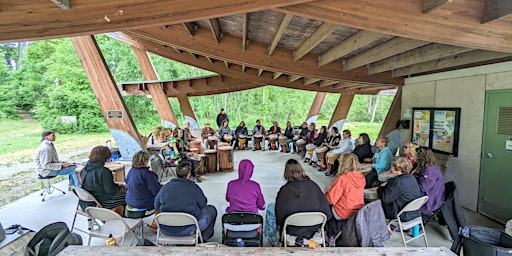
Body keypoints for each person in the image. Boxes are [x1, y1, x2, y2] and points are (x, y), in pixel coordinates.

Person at [263, 159, 332, 246]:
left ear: (286, 173)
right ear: (301, 170)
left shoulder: (283, 191)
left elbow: (280, 218)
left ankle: (274, 242)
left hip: (291, 229)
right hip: (313, 228)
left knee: (271, 207)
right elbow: (326, 212)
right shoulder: (314, 186)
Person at [154, 161, 217, 240]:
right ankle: (203, 238)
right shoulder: (194, 187)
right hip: (189, 229)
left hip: (166, 229)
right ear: (189, 175)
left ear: (176, 173)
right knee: (212, 209)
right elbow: (203, 204)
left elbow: (156, 205)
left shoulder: (165, 187)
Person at [324, 153, 365, 245]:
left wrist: (326, 193)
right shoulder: (361, 177)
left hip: (343, 212)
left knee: (324, 208)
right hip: (358, 211)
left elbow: (331, 200)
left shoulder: (342, 179)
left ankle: (330, 235)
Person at [377, 157, 421, 233]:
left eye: (392, 166)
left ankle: (381, 225)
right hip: (414, 212)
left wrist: (379, 189)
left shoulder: (398, 181)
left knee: (377, 202)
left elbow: (385, 198)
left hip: (403, 215)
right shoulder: (411, 177)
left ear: (397, 169)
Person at [80, 146, 126, 216]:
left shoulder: (84, 170)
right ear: (105, 157)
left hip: (86, 203)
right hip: (100, 203)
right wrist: (120, 186)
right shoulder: (103, 171)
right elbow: (111, 191)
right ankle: (123, 218)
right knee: (129, 195)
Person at [414, 147, 445, 214]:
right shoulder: (427, 167)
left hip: (430, 202)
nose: (414, 157)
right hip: (428, 196)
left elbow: (422, 188)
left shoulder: (430, 171)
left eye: (415, 155)